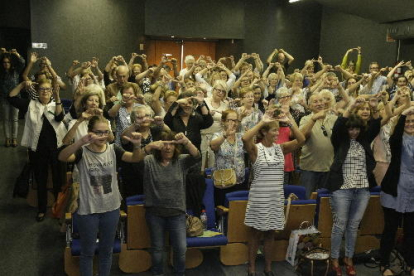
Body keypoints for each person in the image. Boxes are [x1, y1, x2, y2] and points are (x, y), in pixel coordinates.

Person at [58, 115, 143, 276]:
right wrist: (80, 142)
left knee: (106, 250)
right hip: (88, 209)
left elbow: (134, 158)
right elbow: (62, 157)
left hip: (111, 207)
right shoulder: (82, 151)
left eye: (106, 132)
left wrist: (138, 146)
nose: (102, 136)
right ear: (90, 132)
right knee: (88, 252)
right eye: (98, 132)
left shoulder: (113, 149)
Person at [242, 109, 305, 276]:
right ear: (264, 132)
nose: (278, 133)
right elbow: (245, 138)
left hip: (275, 197)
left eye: (278, 129)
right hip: (259, 198)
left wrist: (290, 121)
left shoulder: (281, 149)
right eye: (274, 130)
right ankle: (252, 267)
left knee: (270, 234)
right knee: (255, 234)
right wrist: (263, 121)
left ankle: (268, 268)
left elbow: (301, 139)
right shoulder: (255, 149)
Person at [326, 98, 381, 276]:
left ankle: (348, 258)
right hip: (342, 189)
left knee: (353, 226)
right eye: (351, 128)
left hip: (362, 189)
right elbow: (339, 125)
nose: (354, 132)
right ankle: (334, 259)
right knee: (340, 225)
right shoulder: (340, 141)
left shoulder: (363, 140)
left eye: (356, 128)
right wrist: (350, 106)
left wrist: (374, 108)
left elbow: (376, 124)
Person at [141, 131, 201, 276]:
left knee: (180, 248)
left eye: (171, 144)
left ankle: (179, 273)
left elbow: (197, 156)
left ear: (175, 147)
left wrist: (186, 141)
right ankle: (157, 273)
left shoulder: (180, 161)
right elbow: (135, 160)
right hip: (155, 213)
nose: (168, 147)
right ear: (158, 145)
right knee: (157, 249)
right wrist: (148, 146)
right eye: (164, 144)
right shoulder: (149, 160)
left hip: (177, 213)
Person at [9, 79, 66, 221]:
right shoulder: (30, 105)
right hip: (37, 149)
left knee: (58, 179)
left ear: (52, 91)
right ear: (37, 92)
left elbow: (59, 118)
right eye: (42, 89)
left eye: (48, 89)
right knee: (40, 179)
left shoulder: (55, 104)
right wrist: (22, 84)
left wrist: (58, 97)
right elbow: (11, 97)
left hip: (56, 148)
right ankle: (41, 209)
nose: (45, 92)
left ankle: (58, 209)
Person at [379, 106, 414, 276]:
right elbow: (396, 136)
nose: (410, 124)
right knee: (390, 230)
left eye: (413, 121)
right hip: (394, 189)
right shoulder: (397, 141)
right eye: (407, 121)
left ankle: (410, 263)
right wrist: (403, 114)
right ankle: (384, 264)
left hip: (412, 191)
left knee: (411, 231)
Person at [210, 109, 246, 206]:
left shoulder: (241, 137)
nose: (233, 123)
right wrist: (225, 135)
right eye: (230, 120)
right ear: (223, 121)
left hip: (239, 182)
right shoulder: (217, 135)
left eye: (236, 120)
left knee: (238, 213)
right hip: (223, 182)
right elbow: (213, 146)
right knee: (223, 211)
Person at [0, 49, 25, 147]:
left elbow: (22, 62)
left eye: (8, 62)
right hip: (4, 99)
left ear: (11, 63)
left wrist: (16, 54)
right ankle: (7, 138)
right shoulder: (1, 73)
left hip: (15, 98)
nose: (6, 64)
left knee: (14, 119)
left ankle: (14, 138)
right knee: (6, 120)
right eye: (4, 62)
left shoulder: (16, 71)